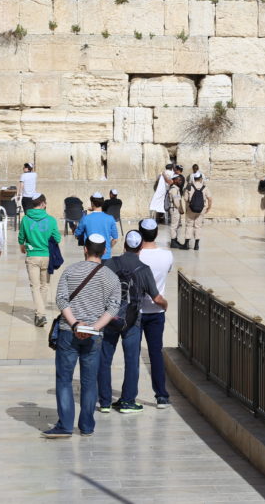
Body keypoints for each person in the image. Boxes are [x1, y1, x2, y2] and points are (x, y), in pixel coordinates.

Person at [44, 234, 121, 438]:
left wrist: (76, 323)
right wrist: (94, 327)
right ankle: (86, 425)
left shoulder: (70, 271)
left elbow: (61, 300)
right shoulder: (111, 277)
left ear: (85, 249)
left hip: (69, 332)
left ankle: (65, 425)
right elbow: (113, 308)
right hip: (94, 336)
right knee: (89, 381)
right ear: (104, 251)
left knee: (64, 379)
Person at [98, 230, 167, 414]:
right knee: (131, 360)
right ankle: (128, 401)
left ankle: (104, 401)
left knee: (105, 359)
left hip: (110, 318)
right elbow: (156, 298)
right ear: (141, 246)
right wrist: (165, 305)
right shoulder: (144, 269)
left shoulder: (110, 263)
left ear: (125, 245)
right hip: (132, 320)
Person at [137, 218, 172, 409]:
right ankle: (161, 395)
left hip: (137, 311)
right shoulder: (167, 256)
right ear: (156, 233)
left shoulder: (136, 255)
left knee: (132, 354)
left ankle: (128, 395)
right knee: (155, 353)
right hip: (156, 311)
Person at [18, 193, 62, 327]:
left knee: (35, 286)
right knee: (44, 285)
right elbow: (58, 238)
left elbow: (21, 238)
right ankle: (40, 314)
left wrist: (23, 246)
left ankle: (40, 314)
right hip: (47, 256)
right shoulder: (51, 220)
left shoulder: (25, 219)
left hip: (32, 256)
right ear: (43, 203)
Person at [74, 192, 119, 259]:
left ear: (92, 203)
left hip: (90, 256)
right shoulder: (110, 219)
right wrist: (108, 248)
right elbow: (115, 239)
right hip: (105, 256)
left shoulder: (85, 218)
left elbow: (77, 234)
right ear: (102, 203)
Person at [183, 172, 211, 251]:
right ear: (201, 179)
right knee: (198, 226)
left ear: (194, 179)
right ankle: (196, 245)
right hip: (201, 210)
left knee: (189, 225)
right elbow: (210, 198)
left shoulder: (189, 187)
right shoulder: (205, 187)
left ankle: (187, 243)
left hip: (190, 209)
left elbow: (185, 198)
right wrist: (209, 207)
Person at [166, 174, 186, 249]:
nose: (180, 181)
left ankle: (175, 240)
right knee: (174, 226)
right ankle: (173, 242)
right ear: (174, 180)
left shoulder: (176, 188)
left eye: (180, 180)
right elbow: (176, 201)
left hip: (176, 209)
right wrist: (180, 209)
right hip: (175, 209)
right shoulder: (174, 189)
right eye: (178, 179)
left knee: (176, 225)